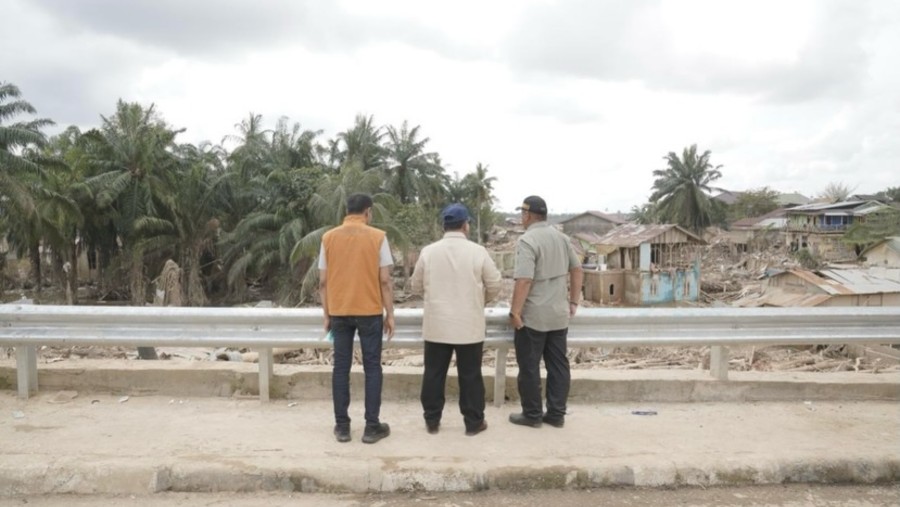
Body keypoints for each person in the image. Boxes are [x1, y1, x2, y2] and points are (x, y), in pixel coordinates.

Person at [410, 203, 502, 436]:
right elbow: (494, 284)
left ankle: (432, 421)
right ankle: (473, 423)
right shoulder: (478, 251)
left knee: (433, 373)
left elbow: (416, 285)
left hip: (437, 325)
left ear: (444, 225)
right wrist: (479, 301)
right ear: (465, 225)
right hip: (468, 325)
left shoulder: (429, 251)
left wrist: (434, 298)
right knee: (470, 375)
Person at [318, 193, 395, 444]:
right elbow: (385, 280)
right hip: (370, 312)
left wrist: (326, 313)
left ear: (347, 211)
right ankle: (372, 427)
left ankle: (342, 426)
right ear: (368, 212)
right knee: (372, 368)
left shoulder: (328, 238)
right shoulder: (378, 237)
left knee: (341, 368)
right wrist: (390, 314)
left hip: (339, 311)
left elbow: (323, 282)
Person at [508, 195, 584, 429]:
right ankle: (556, 414)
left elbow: (524, 280)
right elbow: (577, 268)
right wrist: (573, 301)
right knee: (558, 365)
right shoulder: (562, 238)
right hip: (559, 314)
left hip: (533, 316)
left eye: (522, 213)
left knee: (530, 367)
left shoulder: (528, 240)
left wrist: (515, 312)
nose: (522, 217)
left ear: (527, 215)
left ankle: (532, 415)